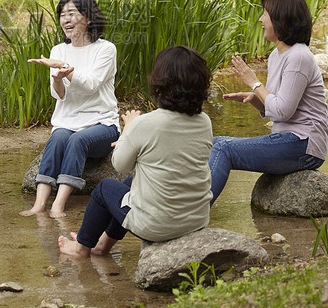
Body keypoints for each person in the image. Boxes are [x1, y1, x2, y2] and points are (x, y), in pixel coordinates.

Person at [57, 46, 213, 258]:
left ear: (161, 82)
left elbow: (119, 164)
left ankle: (81, 248)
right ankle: (102, 246)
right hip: (196, 219)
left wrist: (128, 128)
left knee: (105, 189)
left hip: (158, 226)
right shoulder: (204, 121)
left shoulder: (146, 123)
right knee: (130, 186)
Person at [210, 0, 328, 206]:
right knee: (212, 143)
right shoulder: (276, 55)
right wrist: (255, 97)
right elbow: (275, 108)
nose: (261, 19)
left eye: (266, 13)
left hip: (304, 145)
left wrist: (254, 83)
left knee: (223, 148)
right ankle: (178, 203)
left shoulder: (299, 56)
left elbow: (283, 111)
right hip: (287, 139)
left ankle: (194, 214)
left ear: (282, 19)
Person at [20, 0, 120, 219]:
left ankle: (58, 205)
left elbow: (91, 85)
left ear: (88, 19)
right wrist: (57, 78)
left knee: (78, 139)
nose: (65, 20)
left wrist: (66, 68)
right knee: (57, 138)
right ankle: (38, 205)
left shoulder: (105, 49)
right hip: (67, 122)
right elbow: (59, 95)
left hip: (101, 123)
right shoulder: (58, 51)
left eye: (71, 14)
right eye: (62, 15)